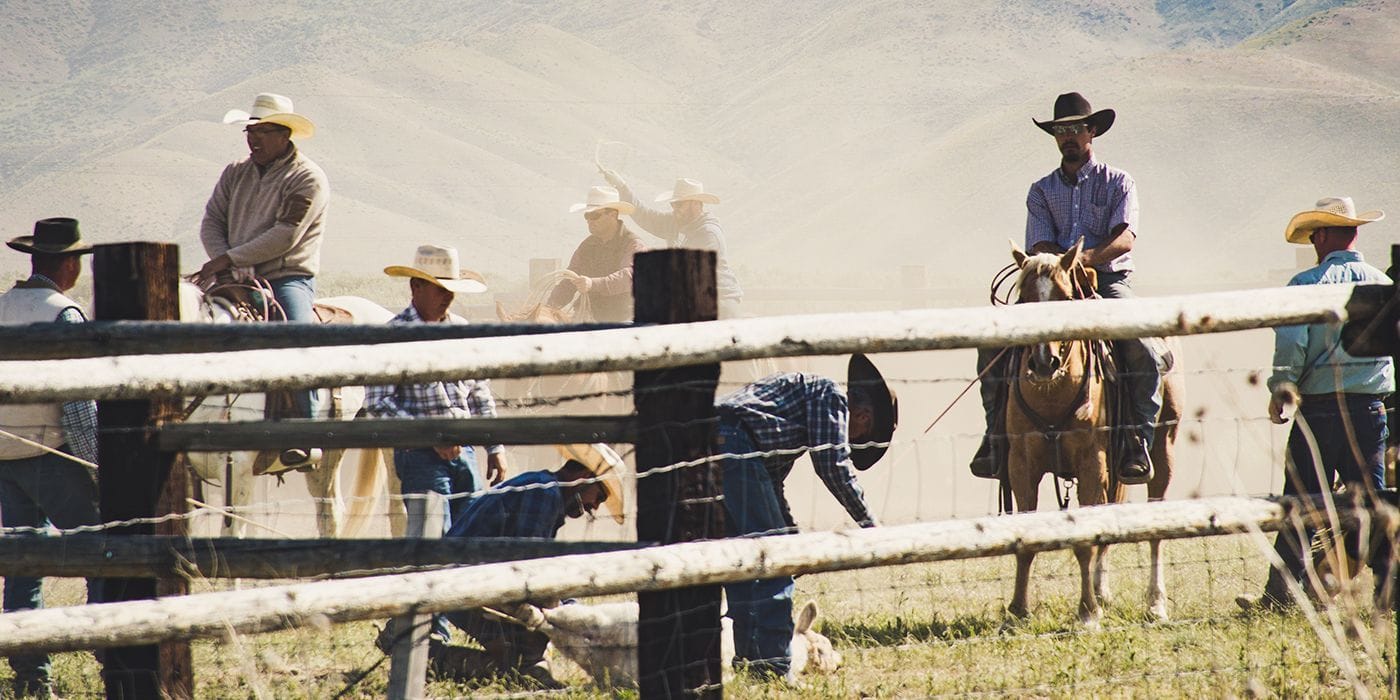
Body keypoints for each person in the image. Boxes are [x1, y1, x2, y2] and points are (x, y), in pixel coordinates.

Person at [971, 91, 1162, 485]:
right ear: (1055, 137)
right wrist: (1058, 269)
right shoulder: (1040, 191)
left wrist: (1082, 260)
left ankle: (1137, 441)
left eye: (1076, 129)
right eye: (1061, 131)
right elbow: (1038, 245)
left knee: (1141, 346)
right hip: (1051, 287)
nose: (1068, 137)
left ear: (1092, 131)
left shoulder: (1118, 183)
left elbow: (1125, 239)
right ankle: (995, 436)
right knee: (991, 342)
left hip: (1108, 282)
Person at [1238, 196, 1395, 612]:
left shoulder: (1306, 285)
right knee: (1375, 504)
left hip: (1320, 410)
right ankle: (1387, 592)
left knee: (1300, 504)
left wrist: (1283, 388)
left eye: (1313, 236)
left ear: (1323, 235)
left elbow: (1293, 345)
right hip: (1369, 409)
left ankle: (1280, 596)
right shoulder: (1381, 284)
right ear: (1355, 233)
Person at [379, 445, 623, 688]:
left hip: (471, 581)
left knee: (527, 652)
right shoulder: (545, 493)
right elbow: (530, 570)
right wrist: (562, 615)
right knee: (530, 647)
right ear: (585, 477)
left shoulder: (545, 489)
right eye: (599, 496)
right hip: (467, 585)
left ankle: (423, 652)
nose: (595, 506)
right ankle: (426, 656)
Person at [716, 354, 897, 679]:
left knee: (744, 563)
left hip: (719, 443)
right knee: (774, 563)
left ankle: (749, 659)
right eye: (856, 437)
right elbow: (833, 467)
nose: (849, 440)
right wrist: (872, 527)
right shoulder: (830, 398)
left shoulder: (796, 408)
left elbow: (770, 481)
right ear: (865, 418)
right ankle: (773, 665)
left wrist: (790, 533)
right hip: (737, 447)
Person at [197, 92, 328, 471]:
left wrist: (231, 257)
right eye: (250, 131)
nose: (254, 138)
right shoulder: (234, 172)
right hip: (231, 273)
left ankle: (304, 436)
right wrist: (224, 262)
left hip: (286, 276)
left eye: (265, 131)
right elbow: (211, 221)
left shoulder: (307, 178)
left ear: (286, 135)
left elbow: (285, 234)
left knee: (297, 336)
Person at [0, 218, 103, 697]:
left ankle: (30, 674)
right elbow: (78, 408)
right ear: (69, 264)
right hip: (52, 454)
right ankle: (115, 655)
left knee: (23, 565)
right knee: (101, 555)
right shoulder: (63, 313)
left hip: (6, 457)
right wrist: (97, 467)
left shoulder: (3, 307)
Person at [366, 244, 509, 535]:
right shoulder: (393, 336)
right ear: (415, 287)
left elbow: (479, 392)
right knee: (429, 537)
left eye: (450, 290)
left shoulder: (461, 329)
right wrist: (431, 434)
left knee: (470, 534)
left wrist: (494, 446)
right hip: (419, 453)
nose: (448, 297)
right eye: (440, 289)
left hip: (464, 449)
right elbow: (378, 402)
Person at [599, 170, 743, 318]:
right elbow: (644, 215)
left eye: (679, 204)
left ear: (695, 204)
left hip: (720, 304)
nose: (675, 209)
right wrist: (621, 186)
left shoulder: (708, 234)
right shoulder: (675, 223)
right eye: (673, 204)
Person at [546, 186, 648, 322]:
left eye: (594, 215)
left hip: (624, 318)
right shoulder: (586, 246)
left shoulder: (633, 244)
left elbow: (629, 276)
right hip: (591, 316)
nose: (589, 220)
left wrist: (593, 284)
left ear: (612, 215)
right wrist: (549, 308)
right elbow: (570, 279)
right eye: (587, 215)